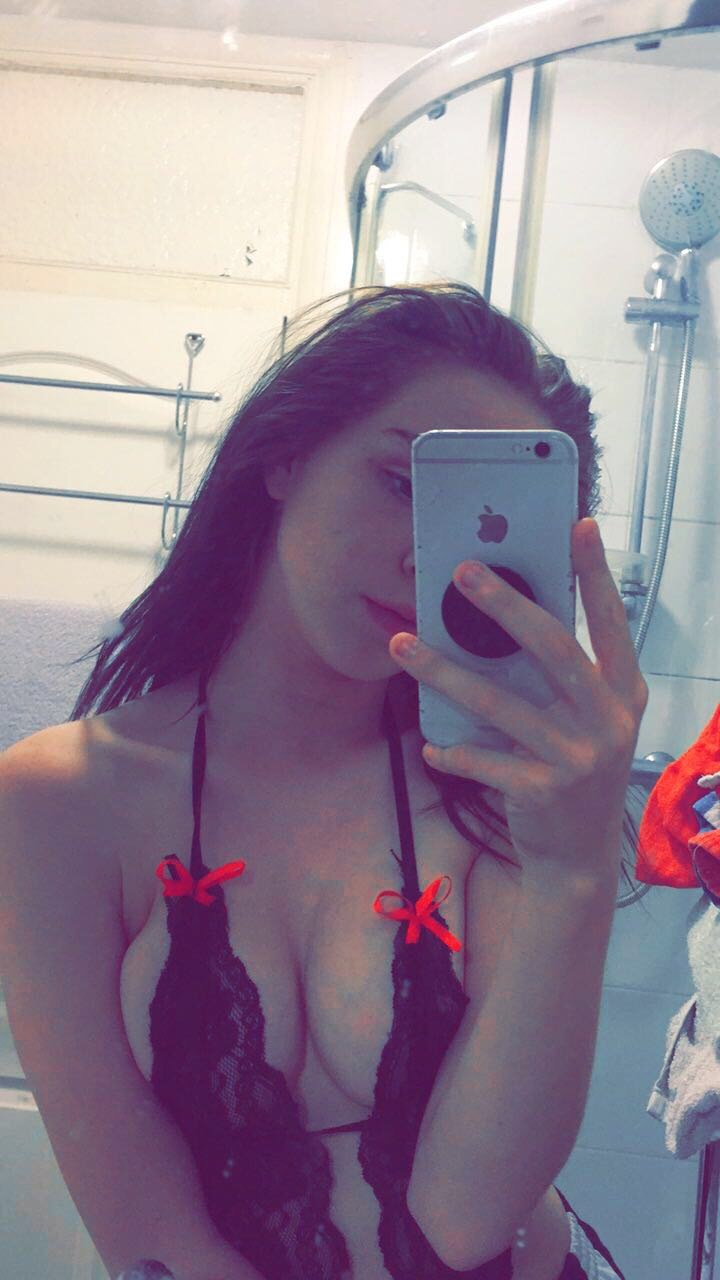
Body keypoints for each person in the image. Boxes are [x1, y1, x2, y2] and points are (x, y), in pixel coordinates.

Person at [1, 284, 647, 1280]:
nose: (425, 558)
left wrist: (576, 867)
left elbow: (467, 1220)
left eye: (470, 530)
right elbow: (148, 1234)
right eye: (398, 480)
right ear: (286, 455)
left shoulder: (503, 791)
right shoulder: (59, 801)